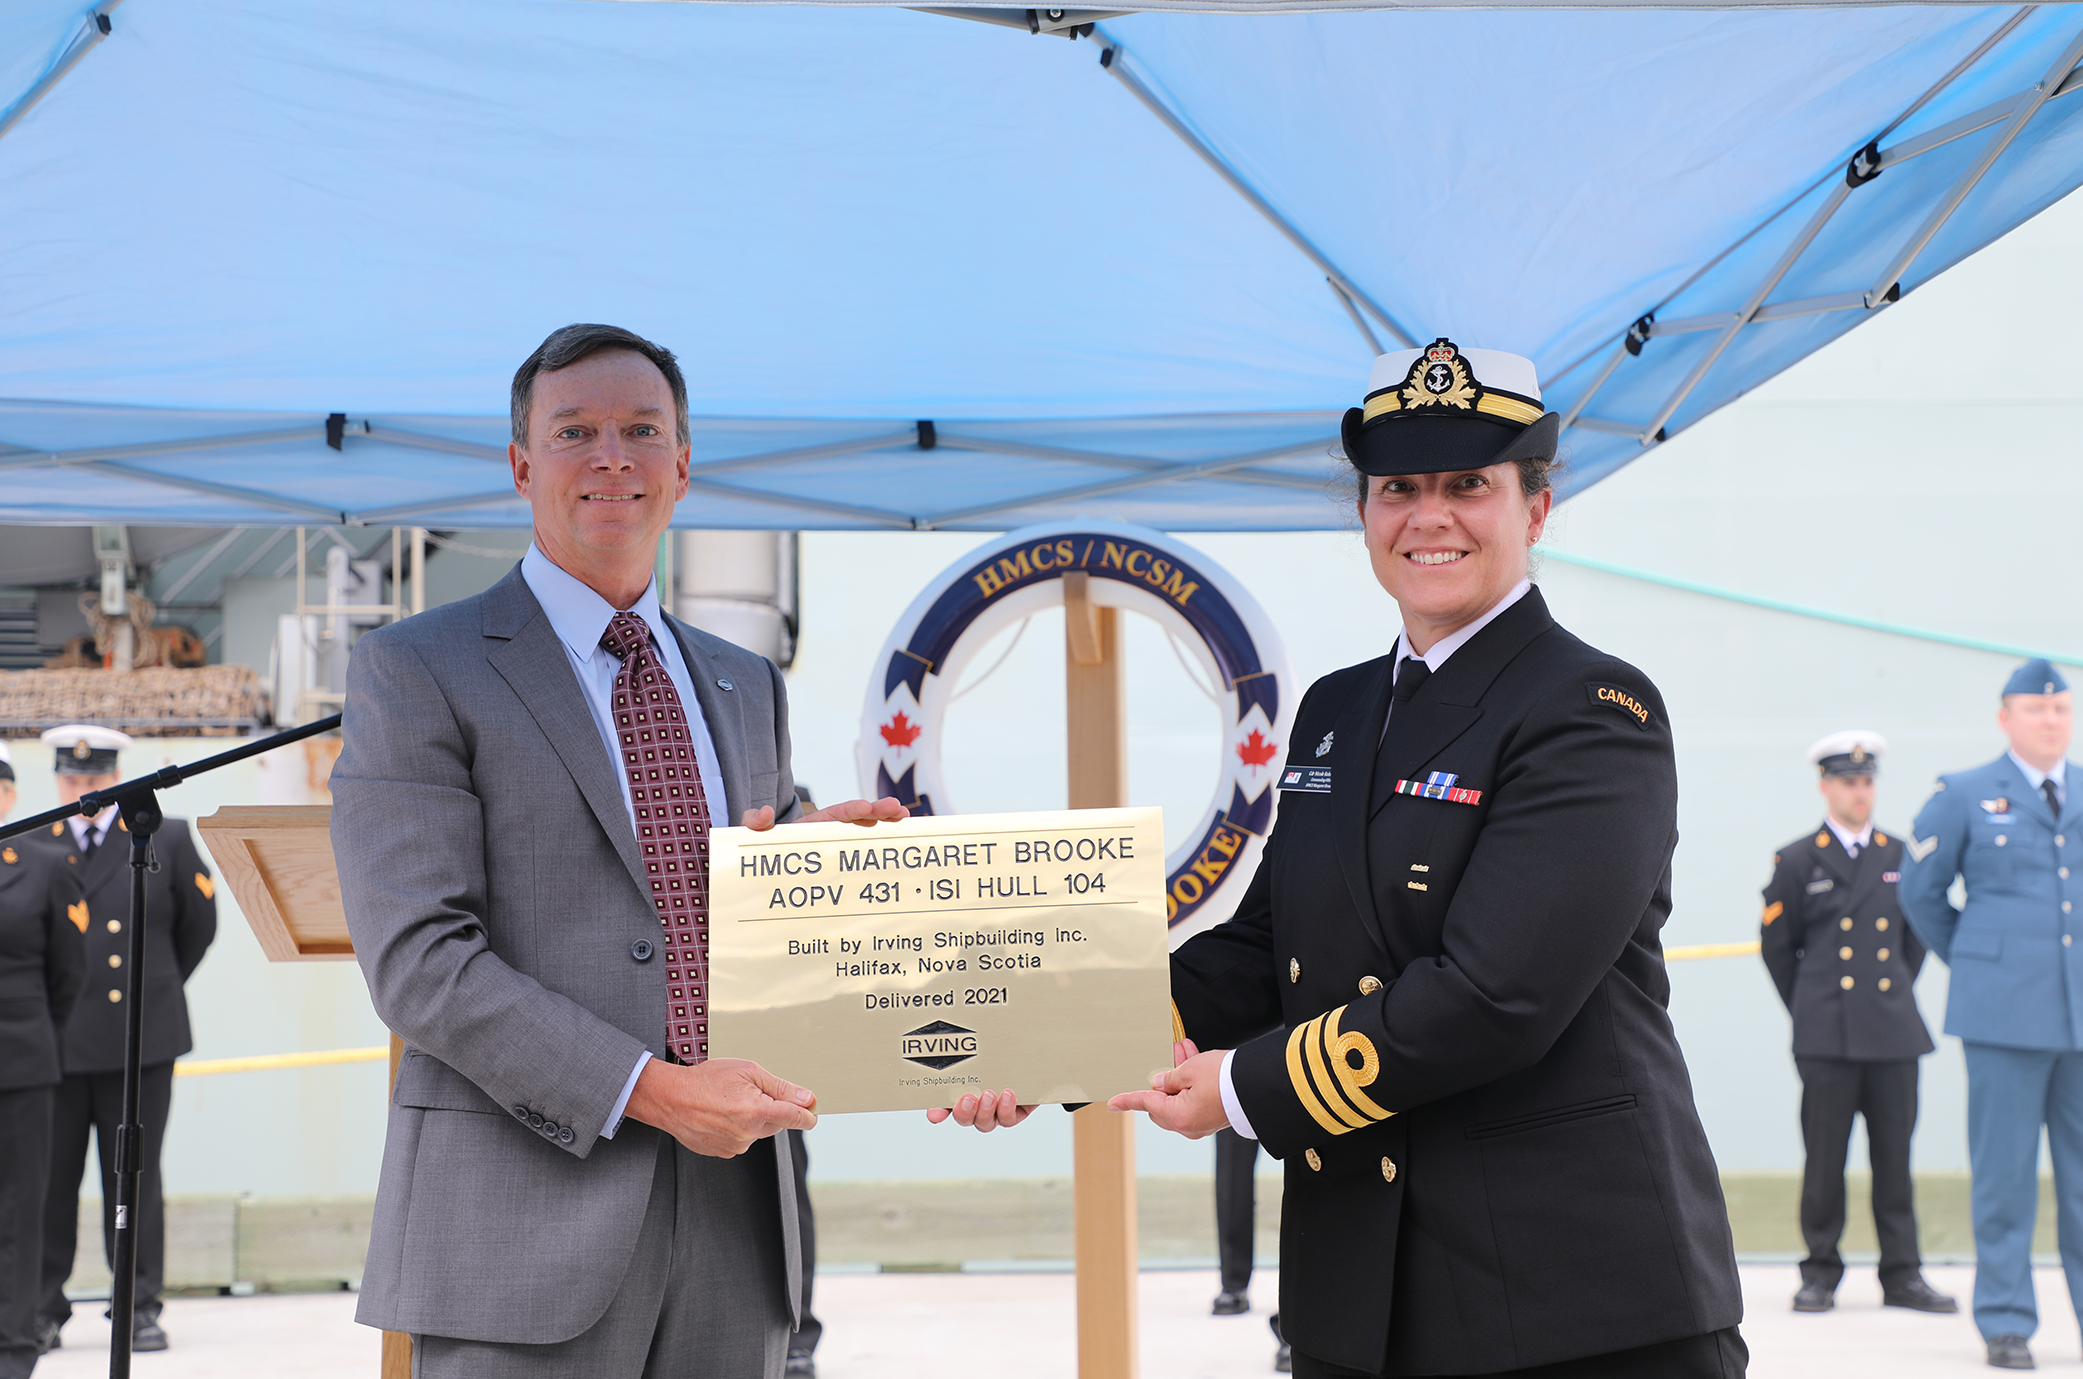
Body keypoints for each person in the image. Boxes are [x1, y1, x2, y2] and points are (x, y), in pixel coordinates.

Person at [1109, 339, 1745, 1377]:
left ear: (1534, 510)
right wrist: (1040, 1032)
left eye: (1468, 485)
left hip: (1575, 1304)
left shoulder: (1590, 709)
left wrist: (1242, 1088)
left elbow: (1493, 995)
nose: (1428, 516)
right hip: (1359, 1302)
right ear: (1364, 514)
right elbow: (1269, 948)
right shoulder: (1335, 710)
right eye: (1396, 487)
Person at [330, 323, 911, 1378]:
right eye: (575, 431)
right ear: (520, 465)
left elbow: (735, 917)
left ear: (683, 465)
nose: (613, 456)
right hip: (521, 1228)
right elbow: (420, 960)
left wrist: (813, 890)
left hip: (737, 1224)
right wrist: (652, 1087)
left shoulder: (744, 682)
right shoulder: (418, 667)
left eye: (643, 430)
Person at [1901, 659, 2083, 1372]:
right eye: (2035, 709)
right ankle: (2006, 1321)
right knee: (2004, 1178)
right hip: (2002, 1020)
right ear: (2005, 717)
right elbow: (1920, 893)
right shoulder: (1966, 794)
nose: (2049, 719)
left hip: (2079, 1021)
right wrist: (1980, 964)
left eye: (2060, 709)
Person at [32, 725, 216, 1356]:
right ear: (58, 780)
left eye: (95, 780)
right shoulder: (34, 840)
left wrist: (149, 991)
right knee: (49, 1179)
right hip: (55, 1042)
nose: (84, 789)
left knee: (133, 1174)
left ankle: (137, 1304)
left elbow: (197, 928)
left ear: (117, 778)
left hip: (140, 1037)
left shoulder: (162, 834)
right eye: (73, 780)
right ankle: (41, 1308)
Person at [1758, 730, 1952, 1315]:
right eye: (1848, 781)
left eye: (1867, 781)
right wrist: (1814, 1007)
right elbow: (1778, 948)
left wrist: (1882, 994)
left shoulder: (1899, 856)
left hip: (1892, 1032)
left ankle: (1903, 1275)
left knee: (1895, 1161)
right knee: (1824, 1161)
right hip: (1826, 1037)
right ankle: (1819, 1272)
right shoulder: (1795, 859)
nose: (1860, 791)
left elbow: (1913, 943)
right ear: (1825, 786)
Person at [0, 746, 84, 1379]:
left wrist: (35, 1041)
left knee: (18, 1212)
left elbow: (68, 974)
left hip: (20, 1066)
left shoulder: (43, 866)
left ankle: (13, 1347)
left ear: (8, 796)